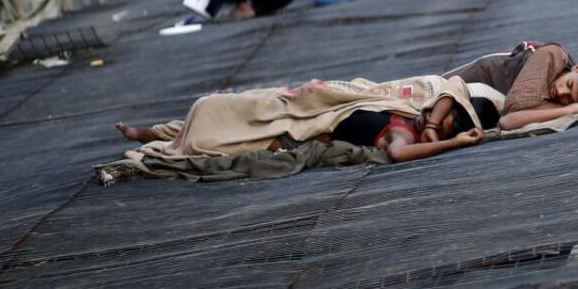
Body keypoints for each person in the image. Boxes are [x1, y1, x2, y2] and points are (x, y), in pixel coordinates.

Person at [115, 76, 498, 163]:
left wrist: (447, 142)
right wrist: (434, 123)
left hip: (292, 128)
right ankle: (150, 131)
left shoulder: (403, 133)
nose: (436, 117)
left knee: (217, 118)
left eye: (447, 122)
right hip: (300, 103)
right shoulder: (417, 110)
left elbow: (398, 155)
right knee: (227, 105)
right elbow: (453, 87)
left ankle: (152, 138)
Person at [443, 42, 578, 131]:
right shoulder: (552, 55)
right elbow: (514, 107)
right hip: (452, 84)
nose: (560, 92)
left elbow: (506, 121)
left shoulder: (567, 102)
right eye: (568, 83)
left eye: (568, 98)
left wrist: (571, 109)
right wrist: (569, 107)